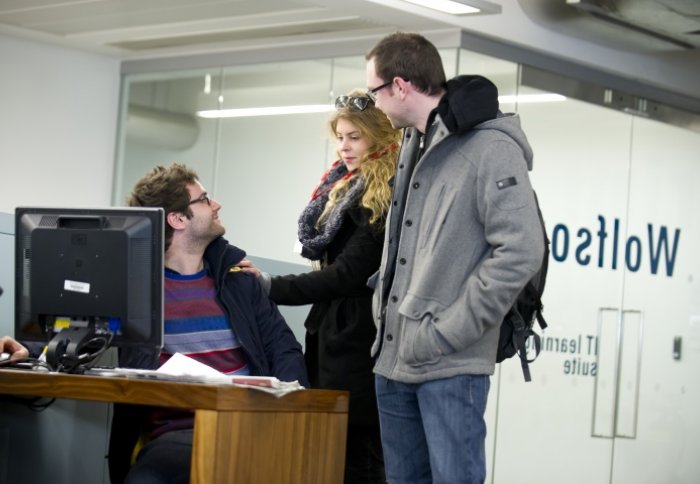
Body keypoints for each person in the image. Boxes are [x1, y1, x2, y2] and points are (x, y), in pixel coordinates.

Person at [364, 32, 545, 484]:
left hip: (448, 362)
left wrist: (447, 333)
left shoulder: (490, 147)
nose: (376, 104)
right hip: (393, 355)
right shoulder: (413, 142)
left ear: (401, 86)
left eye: (375, 92)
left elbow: (522, 250)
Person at [108, 163, 309, 484]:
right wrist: (36, 346)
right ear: (177, 219)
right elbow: (83, 333)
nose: (216, 205)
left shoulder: (239, 280)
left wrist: (290, 419)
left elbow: (284, 349)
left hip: (252, 424)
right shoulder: (136, 290)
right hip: (179, 434)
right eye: (204, 199)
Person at [239, 88, 401, 483]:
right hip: (331, 334)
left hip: (359, 340)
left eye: (354, 137)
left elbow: (346, 276)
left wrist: (270, 285)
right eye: (340, 137)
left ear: (378, 137)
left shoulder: (384, 195)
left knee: (357, 457)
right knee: (331, 454)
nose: (344, 147)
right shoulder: (343, 186)